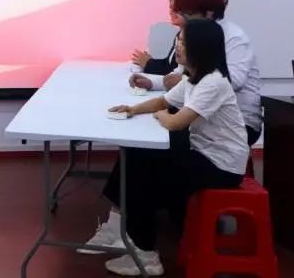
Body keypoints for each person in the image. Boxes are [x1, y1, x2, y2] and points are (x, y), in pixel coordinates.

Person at [98, 19, 248, 276]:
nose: (177, 46)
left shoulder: (213, 82)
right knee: (136, 154)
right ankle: (123, 231)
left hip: (221, 167)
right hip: (202, 153)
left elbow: (175, 121)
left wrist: (160, 116)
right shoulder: (192, 78)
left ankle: (145, 254)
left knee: (143, 174)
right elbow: (163, 101)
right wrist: (132, 109)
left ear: (201, 47)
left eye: (184, 42)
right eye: (179, 40)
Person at [129, 0, 262, 143]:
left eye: (189, 15)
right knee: (144, 134)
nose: (185, 20)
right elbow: (180, 75)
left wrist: (186, 80)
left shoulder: (234, 37)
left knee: (152, 139)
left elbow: (234, 81)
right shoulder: (195, 34)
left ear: (208, 13)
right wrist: (152, 83)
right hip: (201, 115)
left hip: (237, 124)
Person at [129, 0, 182, 76]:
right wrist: (149, 61)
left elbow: (174, 71)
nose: (171, 12)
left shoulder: (190, 38)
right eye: (170, 8)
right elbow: (168, 64)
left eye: (175, 8)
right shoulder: (179, 34)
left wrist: (148, 63)